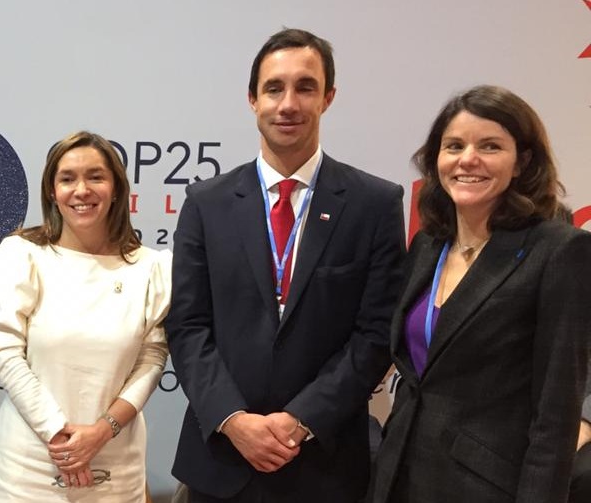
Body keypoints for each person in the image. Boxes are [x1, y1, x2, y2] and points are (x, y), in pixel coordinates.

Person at [165, 28, 405, 502]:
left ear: (328, 98)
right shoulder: (206, 203)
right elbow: (188, 326)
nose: (288, 103)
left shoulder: (374, 203)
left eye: (305, 87)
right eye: (274, 88)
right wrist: (233, 420)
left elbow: (376, 335)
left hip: (325, 464)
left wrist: (302, 420)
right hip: (221, 461)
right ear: (252, 99)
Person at [369, 85, 591, 503]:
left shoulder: (558, 250)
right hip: (398, 474)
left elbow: (556, 413)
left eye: (490, 146)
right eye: (454, 145)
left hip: (486, 486)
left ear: (522, 162)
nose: (468, 159)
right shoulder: (428, 245)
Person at [0, 131, 171, 501]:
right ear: (52, 191)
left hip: (116, 464)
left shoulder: (154, 267)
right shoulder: (20, 255)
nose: (81, 190)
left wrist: (102, 431)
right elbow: (5, 353)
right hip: (29, 464)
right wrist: (61, 437)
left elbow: (152, 358)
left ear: (116, 188)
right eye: (67, 178)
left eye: (96, 176)